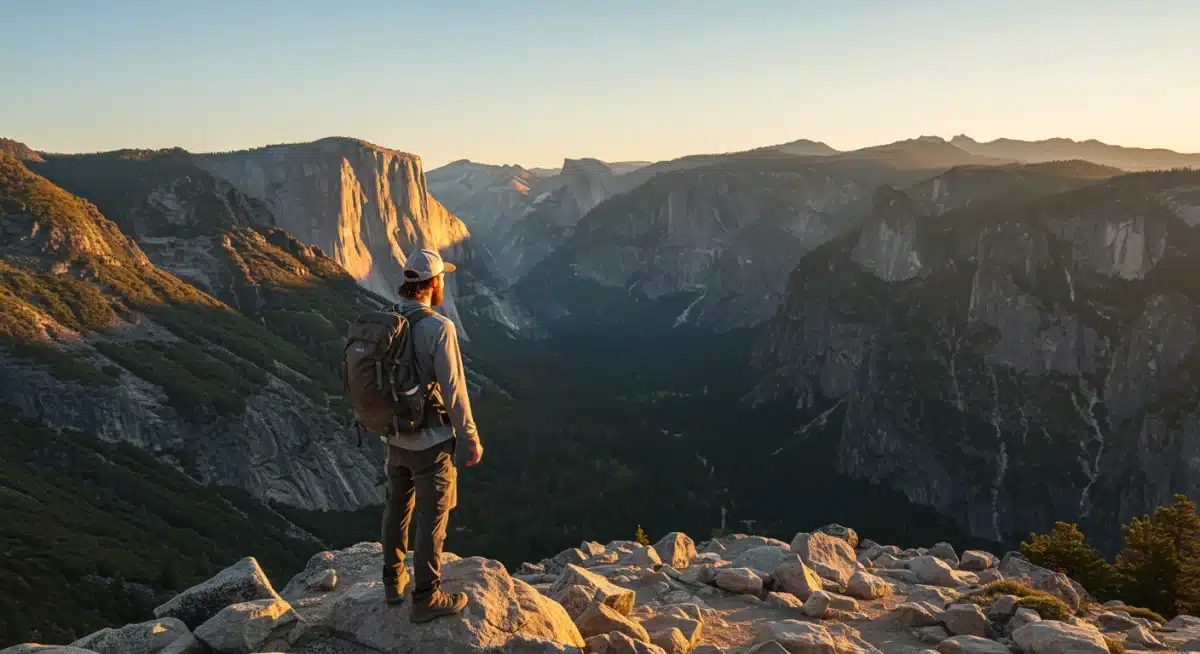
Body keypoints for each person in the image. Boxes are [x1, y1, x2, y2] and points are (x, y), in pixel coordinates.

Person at [380, 247, 484, 623]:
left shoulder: (385, 320)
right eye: (443, 278)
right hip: (431, 442)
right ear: (434, 282)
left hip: (393, 438)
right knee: (432, 517)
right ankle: (425, 597)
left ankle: (393, 583)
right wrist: (470, 437)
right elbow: (455, 391)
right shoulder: (439, 327)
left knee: (396, 508)